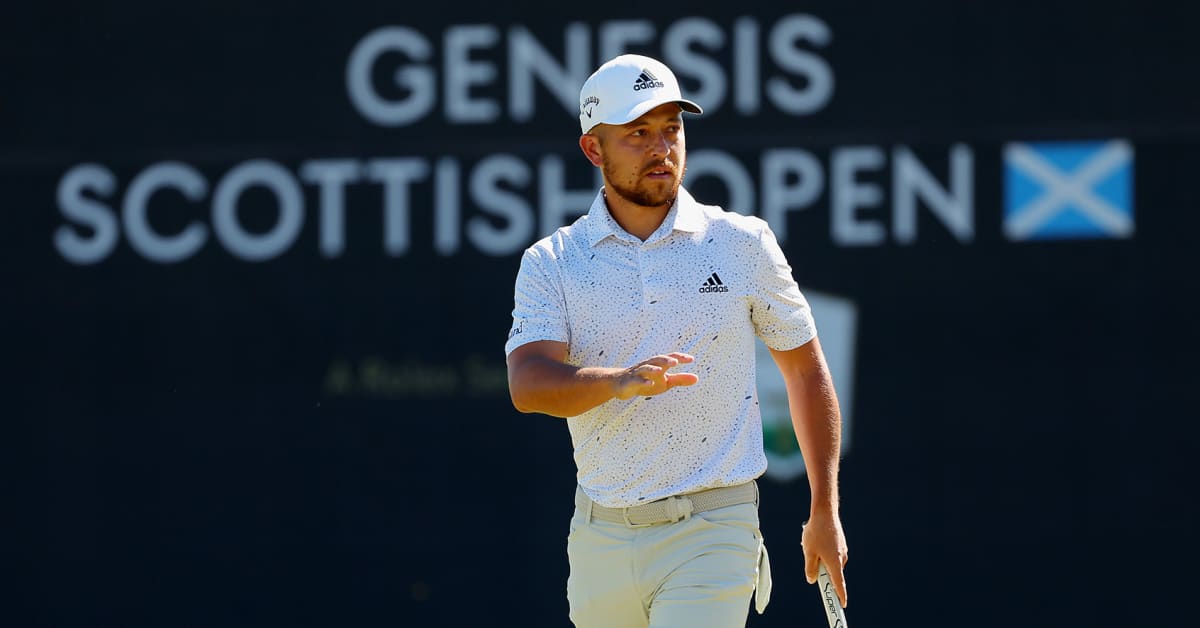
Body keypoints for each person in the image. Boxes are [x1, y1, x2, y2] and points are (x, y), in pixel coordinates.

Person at [505, 53, 848, 628]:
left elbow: (804, 370)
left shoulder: (742, 243)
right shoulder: (553, 262)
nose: (661, 147)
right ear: (594, 149)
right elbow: (529, 383)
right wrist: (621, 382)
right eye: (637, 133)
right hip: (600, 535)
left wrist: (824, 508)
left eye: (672, 128)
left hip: (714, 528)